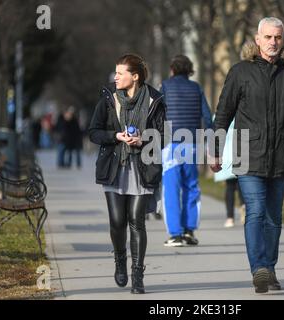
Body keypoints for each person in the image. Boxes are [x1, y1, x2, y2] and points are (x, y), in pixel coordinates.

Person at [210, 17, 284, 293]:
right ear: (258, 39)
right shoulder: (240, 72)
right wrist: (214, 150)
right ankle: (259, 269)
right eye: (268, 37)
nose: (273, 42)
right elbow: (223, 114)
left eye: (278, 37)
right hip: (248, 155)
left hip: (282, 155)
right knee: (256, 211)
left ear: (282, 39)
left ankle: (270, 268)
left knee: (274, 216)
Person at [88, 54, 166, 294]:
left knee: (136, 221)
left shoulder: (155, 99)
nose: (116, 77)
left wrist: (143, 139)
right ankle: (120, 260)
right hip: (114, 167)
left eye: (121, 73)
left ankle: (138, 275)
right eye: (116, 72)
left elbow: (164, 136)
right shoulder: (108, 98)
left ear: (135, 77)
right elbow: (93, 132)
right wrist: (116, 137)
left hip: (142, 168)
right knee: (117, 221)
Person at [161, 54, 213, 247]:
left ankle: (175, 234)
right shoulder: (197, 88)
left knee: (171, 190)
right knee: (191, 187)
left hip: (170, 144)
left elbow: (157, 115)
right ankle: (189, 232)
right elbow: (207, 118)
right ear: (189, 70)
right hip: (193, 144)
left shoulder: (165, 87)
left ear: (172, 69)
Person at [213, 119, 245, 228]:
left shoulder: (221, 114)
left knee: (230, 187)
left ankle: (230, 218)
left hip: (226, 155)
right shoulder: (242, 111)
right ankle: (243, 206)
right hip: (242, 153)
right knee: (242, 184)